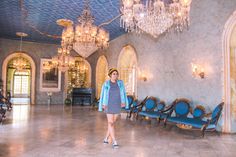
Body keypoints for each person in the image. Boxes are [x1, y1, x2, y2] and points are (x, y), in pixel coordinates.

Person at [98, 68, 129, 149]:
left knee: (111, 123)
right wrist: (103, 104)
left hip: (117, 104)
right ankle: (115, 142)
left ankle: (105, 138)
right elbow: (103, 94)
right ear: (110, 75)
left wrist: (123, 102)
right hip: (108, 105)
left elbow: (123, 93)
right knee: (110, 123)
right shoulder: (106, 83)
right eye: (114, 74)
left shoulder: (120, 83)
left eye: (116, 74)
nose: (115, 75)